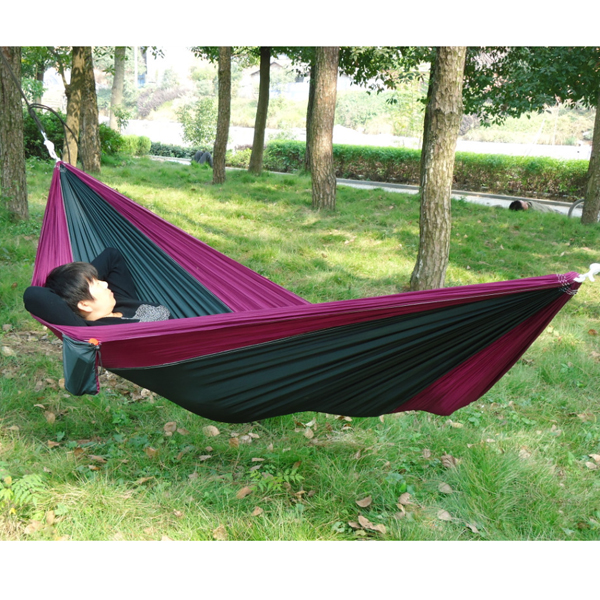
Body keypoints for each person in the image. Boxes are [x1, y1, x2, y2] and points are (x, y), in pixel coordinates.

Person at [44, 247, 171, 324]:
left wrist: (81, 278)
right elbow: (35, 295)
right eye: (96, 283)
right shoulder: (102, 330)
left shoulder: (118, 300)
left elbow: (111, 255)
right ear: (84, 305)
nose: (105, 283)